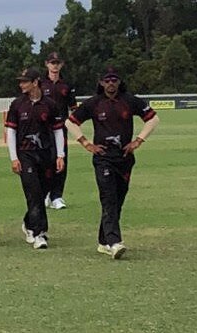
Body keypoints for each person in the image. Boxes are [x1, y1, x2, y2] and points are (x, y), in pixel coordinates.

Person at [66, 66, 160, 259]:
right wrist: (86, 143)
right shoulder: (94, 103)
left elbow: (153, 119)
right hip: (103, 158)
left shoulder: (130, 101)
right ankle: (114, 242)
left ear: (119, 82)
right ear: (101, 82)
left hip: (124, 158)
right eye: (107, 80)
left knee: (118, 200)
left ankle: (103, 241)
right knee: (108, 198)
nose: (110, 84)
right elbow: (70, 122)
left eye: (114, 80)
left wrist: (138, 140)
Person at [5, 68, 65, 249]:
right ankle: (40, 233)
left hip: (46, 154)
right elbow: (11, 132)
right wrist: (14, 158)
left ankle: (29, 222)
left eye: (25, 81)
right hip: (25, 154)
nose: (21, 84)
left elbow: (57, 131)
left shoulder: (50, 104)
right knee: (33, 192)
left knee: (42, 192)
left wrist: (60, 155)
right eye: (21, 81)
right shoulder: (17, 104)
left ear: (35, 82)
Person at [40, 52, 77, 210]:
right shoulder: (40, 83)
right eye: (52, 63)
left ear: (61, 65)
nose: (54, 66)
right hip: (42, 130)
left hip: (61, 129)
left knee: (61, 161)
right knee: (44, 161)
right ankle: (45, 193)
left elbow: (73, 108)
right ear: (46, 64)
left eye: (57, 63)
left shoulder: (66, 85)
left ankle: (57, 196)